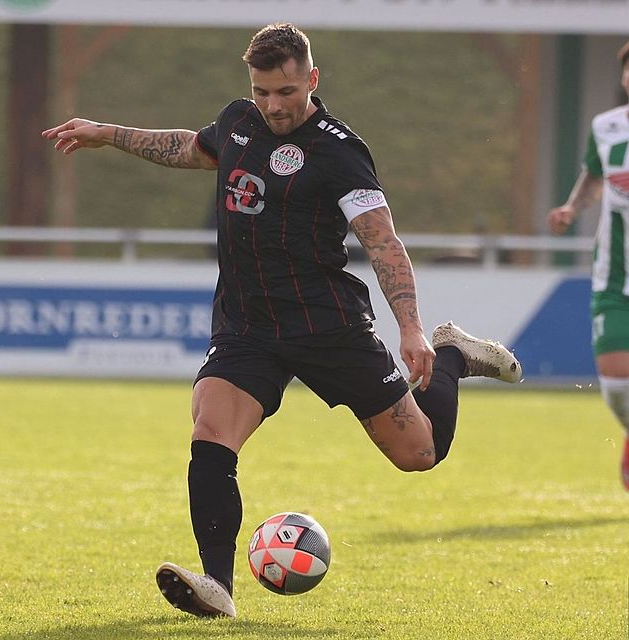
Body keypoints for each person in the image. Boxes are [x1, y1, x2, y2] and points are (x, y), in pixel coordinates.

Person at [43, 23, 522, 618]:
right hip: (247, 327)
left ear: (312, 80)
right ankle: (218, 585)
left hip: (330, 327)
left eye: (287, 92)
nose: (274, 105)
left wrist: (414, 329)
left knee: (418, 454)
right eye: (263, 91)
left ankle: (455, 354)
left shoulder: (339, 151)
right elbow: (188, 146)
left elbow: (383, 243)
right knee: (211, 432)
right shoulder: (239, 123)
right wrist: (108, 134)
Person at [547, 40, 629, 492]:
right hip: (615, 277)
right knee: (618, 388)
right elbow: (594, 177)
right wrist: (571, 208)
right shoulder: (607, 127)